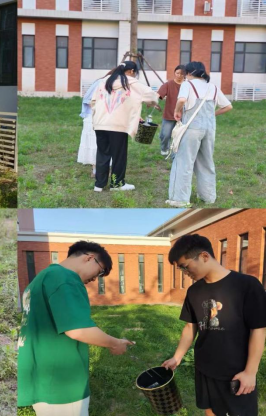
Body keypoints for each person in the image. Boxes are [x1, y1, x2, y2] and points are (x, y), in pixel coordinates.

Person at [17, 240, 134, 416]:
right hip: (62, 381)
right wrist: (115, 343)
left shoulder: (41, 279)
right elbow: (78, 330)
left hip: (40, 376)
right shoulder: (66, 278)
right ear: (89, 258)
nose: (95, 279)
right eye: (99, 272)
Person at [162, 234, 266, 416]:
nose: (185, 273)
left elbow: (258, 329)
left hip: (236, 371)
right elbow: (190, 327)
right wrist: (177, 358)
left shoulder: (246, 285)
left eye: (185, 266)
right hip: (205, 367)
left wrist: (250, 372)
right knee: (210, 410)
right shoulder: (194, 291)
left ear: (204, 256)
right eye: (181, 269)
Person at [167, 62, 233, 207]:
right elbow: (228, 106)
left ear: (189, 73)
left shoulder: (188, 84)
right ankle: (208, 197)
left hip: (192, 129)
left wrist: (177, 111)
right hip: (209, 129)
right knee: (206, 162)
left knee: (184, 162)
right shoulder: (212, 87)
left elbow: (182, 99)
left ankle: (179, 199)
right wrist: (212, 114)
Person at [90, 61, 160, 192]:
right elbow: (151, 94)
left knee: (102, 154)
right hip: (118, 125)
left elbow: (93, 101)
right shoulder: (131, 82)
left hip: (100, 123)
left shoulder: (104, 81)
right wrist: (151, 102)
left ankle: (99, 185)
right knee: (119, 155)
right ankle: (117, 184)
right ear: (132, 71)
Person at [157, 65, 186, 156]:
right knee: (165, 135)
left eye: (182, 74)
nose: (179, 75)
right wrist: (154, 102)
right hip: (169, 114)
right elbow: (159, 94)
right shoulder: (168, 84)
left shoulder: (187, 85)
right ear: (174, 73)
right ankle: (164, 148)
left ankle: (175, 153)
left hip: (184, 115)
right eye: (177, 73)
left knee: (180, 136)